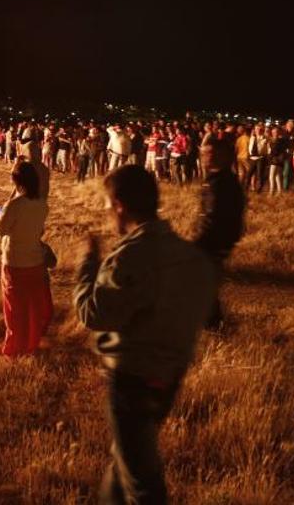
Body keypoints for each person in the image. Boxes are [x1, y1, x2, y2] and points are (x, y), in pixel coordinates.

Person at [74, 166, 215, 505]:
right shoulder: (187, 254)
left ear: (119, 204)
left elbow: (93, 314)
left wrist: (87, 264)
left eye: (108, 204)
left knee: (141, 482)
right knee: (127, 457)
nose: (108, 213)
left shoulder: (130, 256)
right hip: (171, 371)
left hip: (133, 375)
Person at [0, 161, 51, 356]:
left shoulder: (14, 205)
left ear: (16, 181)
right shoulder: (41, 204)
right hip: (36, 262)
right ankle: (32, 343)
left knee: (15, 309)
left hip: (15, 263)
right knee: (32, 307)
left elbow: (0, 230)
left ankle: (14, 348)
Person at [192, 137, 246, 331]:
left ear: (224, 157)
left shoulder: (222, 184)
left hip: (212, 245)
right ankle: (215, 328)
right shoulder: (216, 180)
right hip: (212, 244)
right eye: (204, 153)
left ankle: (214, 329)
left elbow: (214, 220)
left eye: (212, 154)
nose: (207, 157)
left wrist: (196, 245)